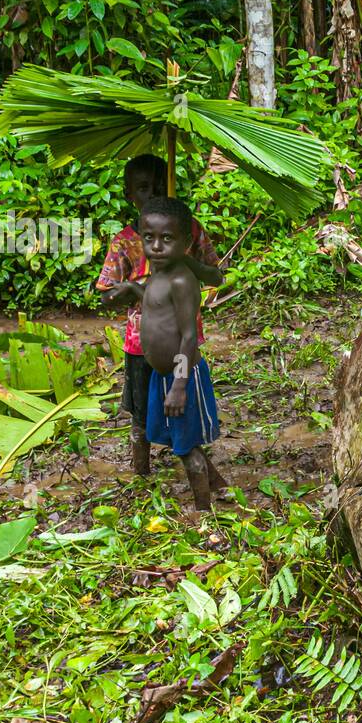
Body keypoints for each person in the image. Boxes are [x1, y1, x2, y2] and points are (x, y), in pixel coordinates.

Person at [95, 154, 224, 475]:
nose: (151, 193)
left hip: (182, 342)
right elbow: (104, 295)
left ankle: (202, 475)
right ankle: (142, 474)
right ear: (129, 195)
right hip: (141, 345)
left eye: (158, 185)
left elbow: (215, 274)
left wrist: (188, 263)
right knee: (141, 416)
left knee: (183, 412)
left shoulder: (190, 231)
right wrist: (126, 290)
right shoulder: (125, 242)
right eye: (142, 188)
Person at [136, 196, 226, 511]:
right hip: (163, 375)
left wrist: (178, 385)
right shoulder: (158, 273)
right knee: (182, 439)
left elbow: (189, 337)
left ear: (186, 241)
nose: (157, 246)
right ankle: (218, 486)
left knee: (187, 450)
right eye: (149, 238)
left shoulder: (180, 279)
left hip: (180, 375)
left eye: (167, 239)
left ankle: (203, 512)